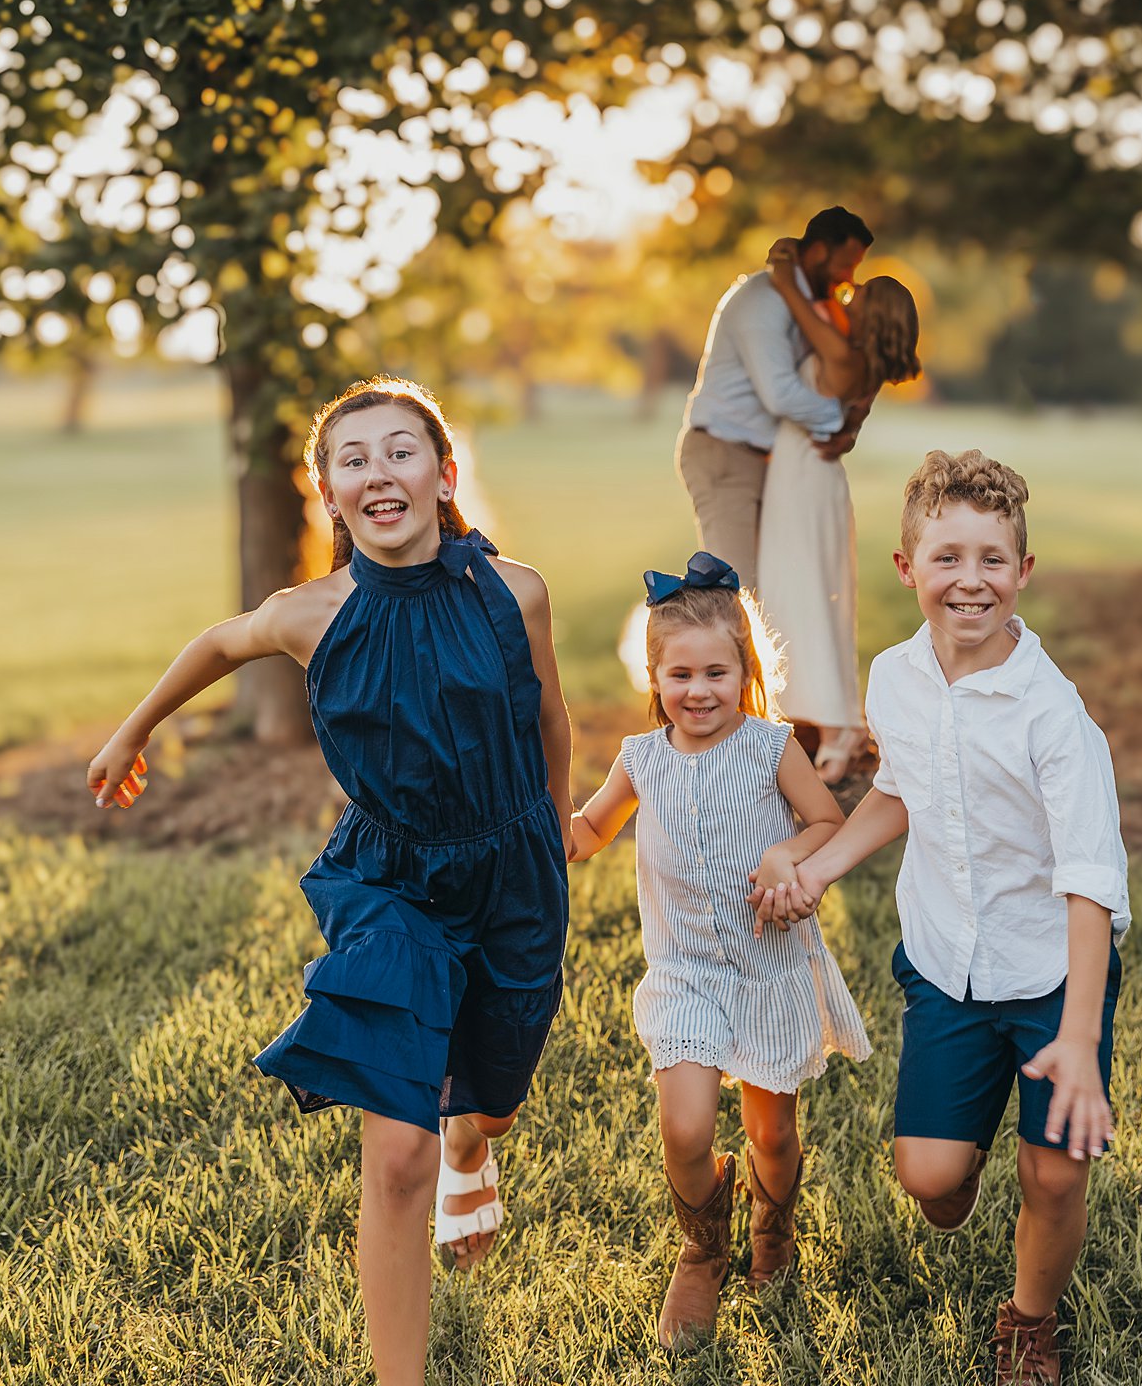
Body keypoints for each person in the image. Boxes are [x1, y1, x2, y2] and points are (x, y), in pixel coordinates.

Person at [86, 377, 573, 1386]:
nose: (377, 470)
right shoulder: (311, 612)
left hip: (512, 867)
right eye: (353, 457)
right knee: (396, 1157)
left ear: (443, 475)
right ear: (327, 492)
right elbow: (219, 642)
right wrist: (134, 727)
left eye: (400, 450)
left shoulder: (512, 591)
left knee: (488, 1105)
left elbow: (548, 719)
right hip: (389, 878)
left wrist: (558, 825)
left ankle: (473, 1149)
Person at [759, 450, 1129, 1386]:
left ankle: (1028, 1319)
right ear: (906, 567)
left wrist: (1079, 1038)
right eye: (948, 557)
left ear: (1022, 572)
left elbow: (1091, 882)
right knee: (929, 1182)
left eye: (992, 560)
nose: (970, 580)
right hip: (946, 963)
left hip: (1050, 972)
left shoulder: (1052, 715)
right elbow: (903, 791)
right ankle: (962, 1147)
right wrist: (824, 866)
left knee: (1051, 1175)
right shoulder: (895, 676)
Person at [570, 552, 870, 1352]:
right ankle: (702, 1248)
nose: (697, 691)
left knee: (771, 1133)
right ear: (654, 677)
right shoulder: (642, 759)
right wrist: (533, 836)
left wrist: (785, 858)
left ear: (746, 670)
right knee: (686, 1126)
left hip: (767, 972)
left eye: (715, 672)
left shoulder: (771, 747)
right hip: (686, 974)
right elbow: (591, 828)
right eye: (679, 675)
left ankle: (772, 1227)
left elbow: (827, 826)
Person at [756, 240, 922, 781]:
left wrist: (784, 276)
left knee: (804, 595)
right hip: (807, 476)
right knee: (807, 594)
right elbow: (850, 413)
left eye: (858, 297)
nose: (846, 300)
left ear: (870, 317)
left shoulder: (841, 355)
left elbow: (797, 305)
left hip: (805, 480)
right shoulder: (862, 363)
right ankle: (826, 718)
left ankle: (838, 726)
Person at [676, 207, 873, 594]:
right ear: (817, 252)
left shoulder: (798, 300)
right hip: (726, 455)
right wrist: (839, 421)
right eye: (846, 264)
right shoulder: (763, 301)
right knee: (739, 596)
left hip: (760, 459)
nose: (848, 278)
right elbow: (780, 394)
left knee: (774, 594)